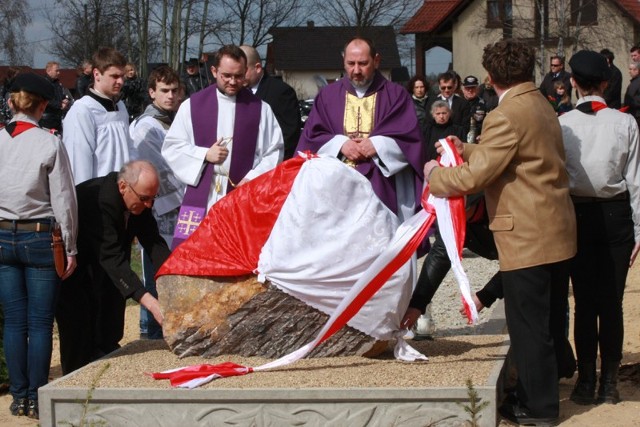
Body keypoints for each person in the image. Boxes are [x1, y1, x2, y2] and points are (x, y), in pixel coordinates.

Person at [424, 39, 577, 425]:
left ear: (490, 77)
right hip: (554, 226)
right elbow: (515, 155)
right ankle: (549, 385)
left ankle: (537, 408)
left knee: (529, 328)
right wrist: (469, 147)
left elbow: (477, 177)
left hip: (526, 233)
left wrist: (435, 176)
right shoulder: (540, 102)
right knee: (550, 316)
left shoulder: (504, 114)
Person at [560, 50, 640, 406]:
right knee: (612, 302)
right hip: (616, 216)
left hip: (576, 216)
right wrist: (639, 230)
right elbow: (636, 182)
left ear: (573, 82)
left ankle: (585, 380)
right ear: (606, 83)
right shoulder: (625, 123)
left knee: (584, 302)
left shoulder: (562, 124)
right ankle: (609, 382)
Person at [0, 73, 78, 419]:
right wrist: (72, 246)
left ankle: (18, 396)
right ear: (43, 105)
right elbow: (64, 201)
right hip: (39, 235)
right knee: (40, 322)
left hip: (2, 235)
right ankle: (35, 395)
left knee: (15, 322)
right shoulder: (49, 143)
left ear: (11, 103)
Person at [162, 45, 284, 248]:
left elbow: (274, 151)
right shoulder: (192, 106)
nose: (233, 81)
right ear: (214, 71)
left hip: (241, 195)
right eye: (226, 75)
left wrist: (252, 180)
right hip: (203, 194)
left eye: (238, 75)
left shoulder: (260, 109)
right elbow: (171, 147)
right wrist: (204, 154)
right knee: (196, 252)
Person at [55, 160, 170, 375]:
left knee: (108, 331)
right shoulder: (101, 200)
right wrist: (151, 303)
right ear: (123, 186)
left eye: (153, 199)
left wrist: (173, 276)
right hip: (77, 272)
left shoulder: (138, 198)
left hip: (105, 273)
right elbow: (111, 257)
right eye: (144, 199)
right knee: (78, 332)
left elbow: (153, 242)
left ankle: (106, 370)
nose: (149, 206)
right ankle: (74, 388)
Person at [296, 37, 425, 222]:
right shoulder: (327, 96)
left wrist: (379, 145)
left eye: (363, 63)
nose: (356, 71)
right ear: (343, 61)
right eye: (351, 63)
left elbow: (412, 141)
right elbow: (310, 138)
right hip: (336, 189)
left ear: (377, 60)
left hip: (382, 187)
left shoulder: (396, 95)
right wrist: (340, 144)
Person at [130, 65, 183, 339]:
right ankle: (150, 331)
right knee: (155, 269)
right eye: (164, 91)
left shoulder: (176, 121)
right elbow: (158, 171)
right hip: (157, 209)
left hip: (180, 209)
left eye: (175, 90)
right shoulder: (145, 127)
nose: (170, 96)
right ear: (152, 93)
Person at [63, 47, 132, 185]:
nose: (121, 82)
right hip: (97, 195)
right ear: (97, 74)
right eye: (114, 76)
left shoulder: (121, 106)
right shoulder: (83, 110)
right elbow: (78, 163)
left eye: (122, 76)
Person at [240, 45, 301, 160]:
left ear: (257, 67)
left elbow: (289, 136)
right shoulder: (236, 93)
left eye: (243, 70)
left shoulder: (281, 92)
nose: (238, 76)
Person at [431, 71, 471, 135]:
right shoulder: (432, 102)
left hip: (456, 139)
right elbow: (429, 124)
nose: (446, 90)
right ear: (439, 87)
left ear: (454, 86)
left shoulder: (463, 103)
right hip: (437, 138)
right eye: (443, 88)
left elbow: (465, 126)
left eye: (449, 87)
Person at [39, 61, 70, 133]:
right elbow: (45, 99)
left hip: (57, 118)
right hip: (47, 119)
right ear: (48, 71)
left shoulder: (57, 83)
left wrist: (65, 100)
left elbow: (61, 95)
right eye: (56, 71)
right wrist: (60, 105)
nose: (59, 73)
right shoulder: (43, 83)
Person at [460, 75, 487, 142]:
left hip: (478, 139)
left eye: (473, 88)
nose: (470, 90)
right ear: (463, 90)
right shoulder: (458, 103)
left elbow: (487, 123)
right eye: (467, 88)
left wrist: (483, 135)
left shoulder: (484, 104)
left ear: (477, 89)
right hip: (460, 138)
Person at [624, 62, 640, 127]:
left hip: (636, 115)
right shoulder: (634, 81)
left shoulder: (638, 82)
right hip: (632, 114)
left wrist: (631, 102)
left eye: (631, 69)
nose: (629, 71)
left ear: (637, 70)